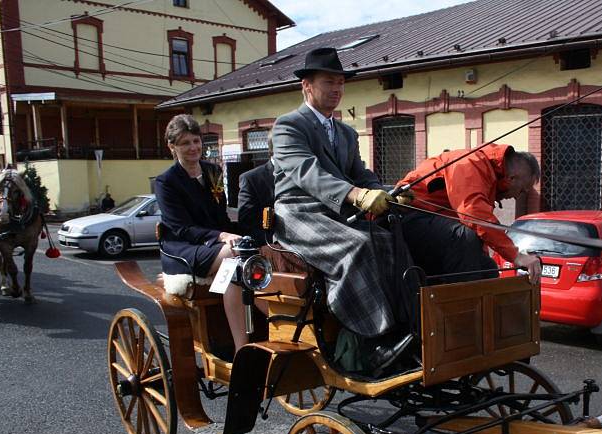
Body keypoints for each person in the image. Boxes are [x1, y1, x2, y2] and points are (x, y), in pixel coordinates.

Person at [271, 47, 411, 370]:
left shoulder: (346, 132)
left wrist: (389, 193)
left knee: (390, 241)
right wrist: (357, 196)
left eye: (341, 83)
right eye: (328, 82)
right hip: (297, 214)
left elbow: (361, 173)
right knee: (359, 247)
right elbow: (308, 173)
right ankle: (371, 344)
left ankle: (404, 331)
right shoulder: (288, 126)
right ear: (307, 85)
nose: (336, 89)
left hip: (334, 214)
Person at [154, 114, 249, 352]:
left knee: (245, 254)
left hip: (216, 246)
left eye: (196, 141)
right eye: (185, 143)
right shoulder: (166, 182)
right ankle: (242, 348)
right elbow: (181, 228)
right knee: (234, 253)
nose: (193, 148)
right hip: (184, 248)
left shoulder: (213, 171)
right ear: (172, 147)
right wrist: (221, 237)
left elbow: (222, 218)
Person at [395, 144, 542, 284]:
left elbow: (478, 228)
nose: (518, 197)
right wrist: (516, 256)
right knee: (462, 237)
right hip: (406, 217)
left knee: (488, 268)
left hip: (431, 226)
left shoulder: (488, 177)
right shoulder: (472, 163)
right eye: (522, 190)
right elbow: (473, 214)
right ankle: (461, 307)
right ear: (512, 178)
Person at [238, 137, 275, 243]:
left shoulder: (305, 174)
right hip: (274, 246)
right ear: (272, 149)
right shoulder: (251, 179)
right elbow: (247, 225)